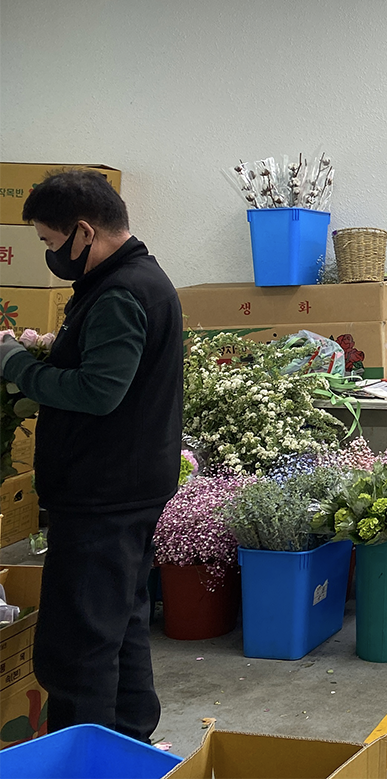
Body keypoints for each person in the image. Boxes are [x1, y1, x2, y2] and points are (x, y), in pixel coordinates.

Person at [0, 171, 183, 741]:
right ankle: (128, 746)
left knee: (77, 648)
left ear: (83, 232)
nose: (51, 256)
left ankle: (82, 759)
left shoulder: (121, 292)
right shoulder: (134, 281)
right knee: (120, 627)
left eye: (50, 243)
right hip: (128, 488)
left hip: (103, 497)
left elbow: (98, 391)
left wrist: (15, 363)